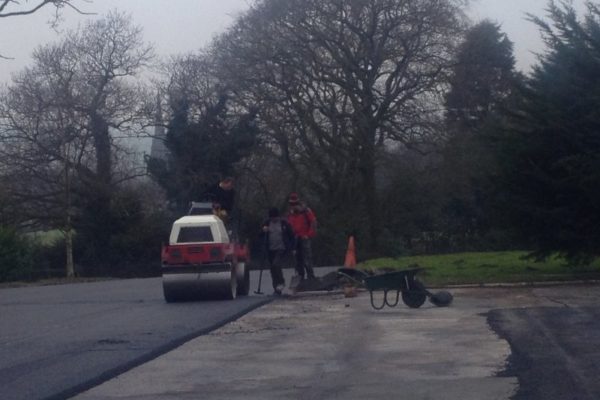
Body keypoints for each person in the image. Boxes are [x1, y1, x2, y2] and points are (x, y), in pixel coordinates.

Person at [261, 207, 295, 295]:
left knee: (276, 264)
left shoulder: (284, 223)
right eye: (272, 218)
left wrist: (293, 248)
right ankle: (276, 287)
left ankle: (281, 282)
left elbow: (291, 235)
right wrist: (263, 231)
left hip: (281, 248)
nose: (273, 219)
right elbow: (259, 236)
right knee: (272, 268)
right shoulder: (267, 223)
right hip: (270, 249)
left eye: (275, 218)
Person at [287, 192, 317, 280]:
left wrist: (309, 234)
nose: (293, 206)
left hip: (304, 237)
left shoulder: (306, 211)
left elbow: (313, 222)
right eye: (291, 204)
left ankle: (311, 277)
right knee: (297, 260)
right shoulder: (290, 214)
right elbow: (288, 225)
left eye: (295, 204)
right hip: (295, 238)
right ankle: (300, 277)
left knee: (307, 258)